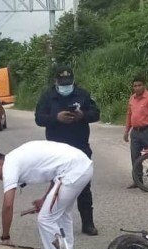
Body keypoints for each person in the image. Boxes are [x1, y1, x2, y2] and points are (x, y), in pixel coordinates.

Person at [0, 140, 94, 249]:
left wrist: (5, 236)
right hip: (81, 166)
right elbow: (54, 174)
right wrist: (44, 200)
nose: (1, 179)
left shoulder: (9, 164)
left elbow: (8, 204)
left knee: (45, 219)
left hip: (73, 170)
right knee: (61, 215)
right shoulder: (17, 156)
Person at [35, 66, 101, 235]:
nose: (66, 86)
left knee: (84, 187)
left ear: (73, 81)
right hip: (56, 151)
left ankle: (88, 224)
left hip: (80, 148)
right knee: (57, 186)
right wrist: (55, 118)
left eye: (68, 83)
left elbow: (96, 113)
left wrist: (82, 116)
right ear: (56, 82)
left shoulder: (82, 94)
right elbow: (39, 119)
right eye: (62, 83)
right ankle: (55, 223)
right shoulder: (48, 97)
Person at [123, 77, 148, 188]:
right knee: (135, 156)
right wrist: (127, 131)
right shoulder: (132, 99)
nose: (137, 88)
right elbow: (129, 115)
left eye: (139, 85)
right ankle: (137, 180)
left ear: (144, 86)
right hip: (135, 132)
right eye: (135, 86)